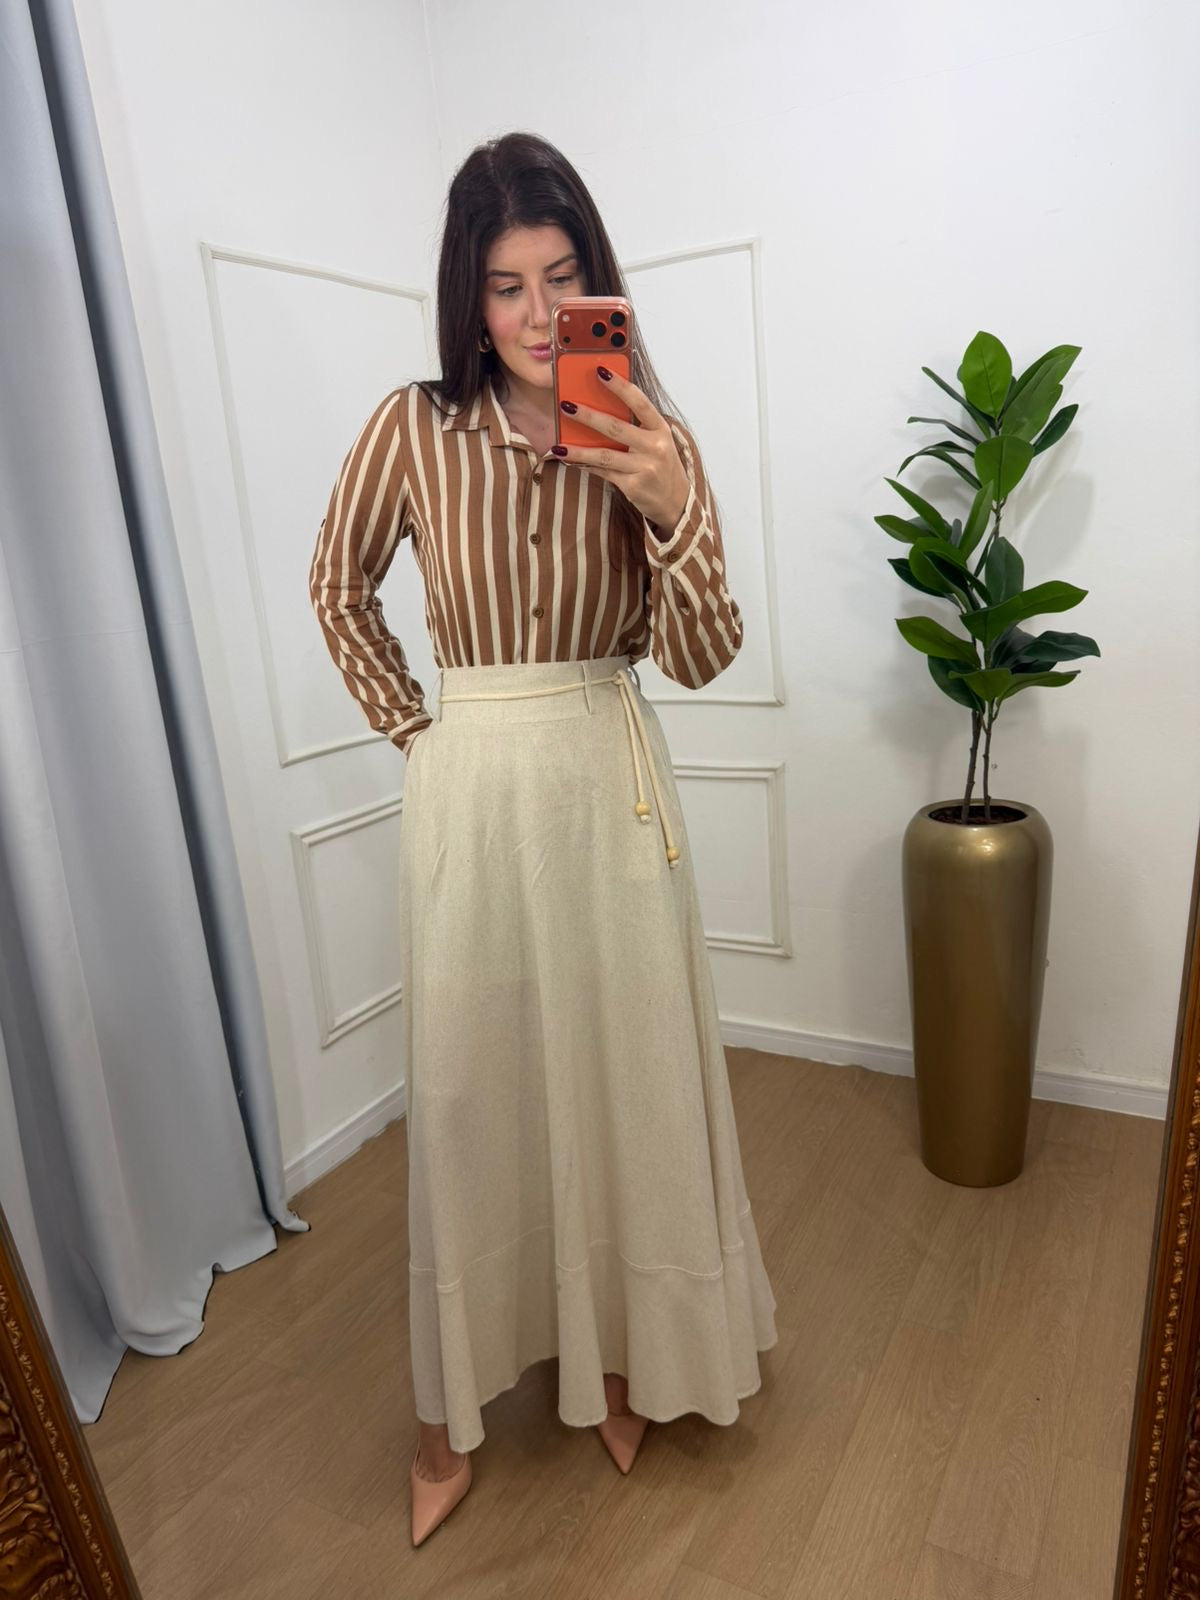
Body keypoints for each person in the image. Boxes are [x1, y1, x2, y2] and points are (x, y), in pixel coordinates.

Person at [308, 131, 778, 1548]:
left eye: (562, 279)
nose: (533, 313)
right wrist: (419, 729)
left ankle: (622, 1358)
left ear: (596, 283)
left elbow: (702, 655)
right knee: (472, 1087)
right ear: (468, 291)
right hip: (474, 785)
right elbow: (336, 586)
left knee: (624, 1074)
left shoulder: (647, 434)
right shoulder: (411, 429)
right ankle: (446, 1409)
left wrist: (671, 507)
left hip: (607, 773)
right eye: (505, 284)